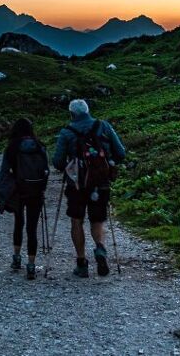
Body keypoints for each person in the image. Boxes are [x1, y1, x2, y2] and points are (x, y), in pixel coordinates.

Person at [52, 99, 126, 278]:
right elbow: (121, 152)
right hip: (100, 182)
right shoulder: (104, 126)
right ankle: (100, 248)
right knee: (97, 220)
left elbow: (58, 162)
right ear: (88, 110)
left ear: (71, 114)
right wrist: (108, 162)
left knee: (76, 220)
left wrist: (69, 164)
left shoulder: (67, 132)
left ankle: (81, 263)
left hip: (76, 184)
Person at [0, 118, 49, 279]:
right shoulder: (40, 146)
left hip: (18, 190)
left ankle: (17, 258)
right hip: (36, 191)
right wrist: (42, 187)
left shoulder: (12, 147)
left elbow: (4, 172)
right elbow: (46, 170)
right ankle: (31, 265)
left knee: (19, 223)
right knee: (32, 228)